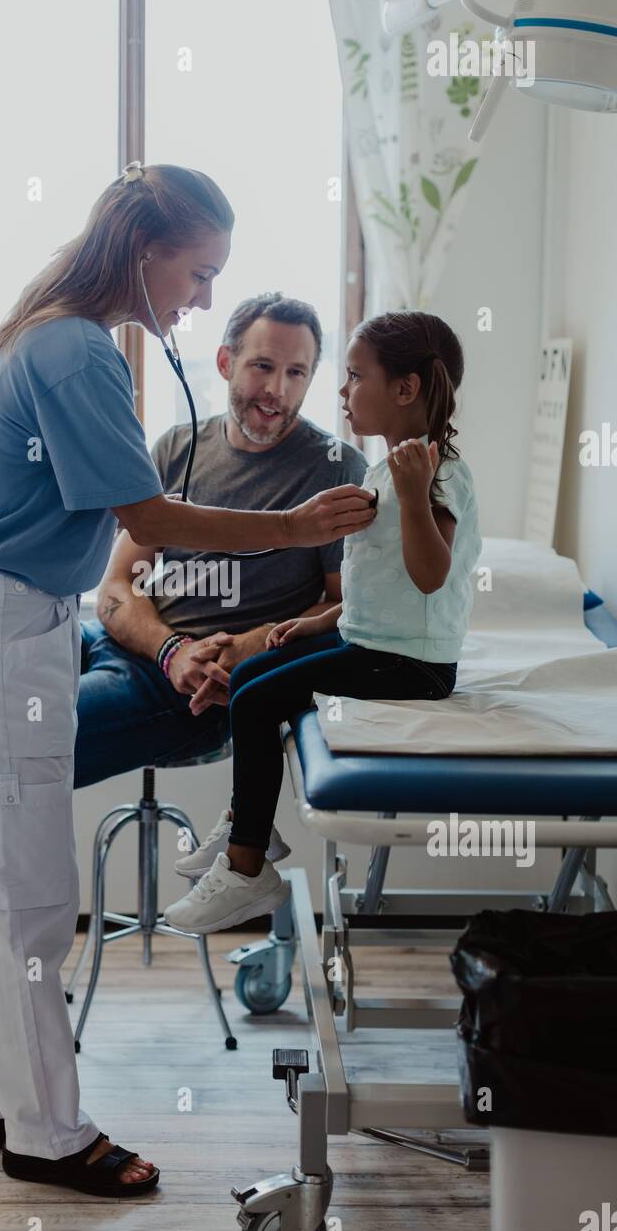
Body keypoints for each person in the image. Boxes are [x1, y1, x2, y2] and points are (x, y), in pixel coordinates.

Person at [0, 163, 376, 1198]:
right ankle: (50, 1134)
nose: (199, 295)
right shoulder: (75, 351)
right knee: (26, 896)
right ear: (145, 250)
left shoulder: (64, 335)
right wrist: (292, 527)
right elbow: (147, 522)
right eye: (198, 272)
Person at [0, 290, 369, 1099]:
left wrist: (236, 647)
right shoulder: (175, 444)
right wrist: (172, 640)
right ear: (225, 363)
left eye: (297, 373)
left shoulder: (333, 470)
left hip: (198, 696)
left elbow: (342, 611)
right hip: (124, 644)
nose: (276, 390)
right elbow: (115, 589)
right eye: (261, 365)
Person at [163, 310, 482, 935]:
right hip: (373, 638)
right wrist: (320, 622)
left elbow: (428, 576)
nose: (342, 391)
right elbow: (383, 583)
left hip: (411, 664)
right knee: (252, 676)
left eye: (355, 376)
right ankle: (245, 823)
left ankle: (248, 865)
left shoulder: (435, 471)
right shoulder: (388, 466)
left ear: (405, 390)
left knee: (256, 702)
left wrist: (415, 498)